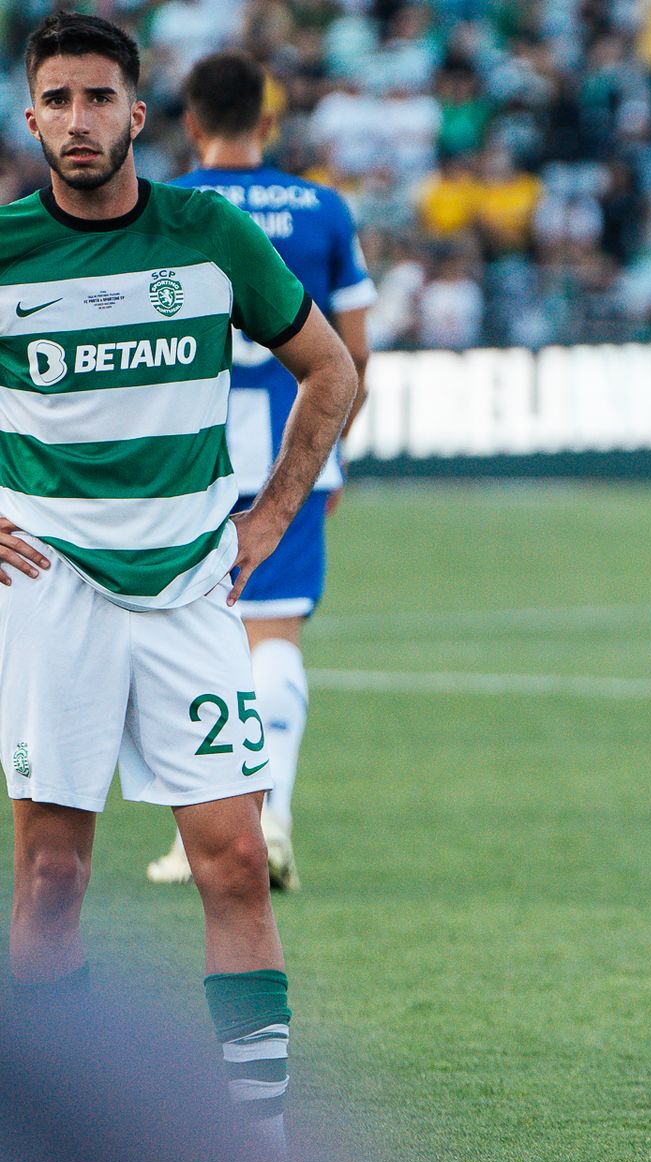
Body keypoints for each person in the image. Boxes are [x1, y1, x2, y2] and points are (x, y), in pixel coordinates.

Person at [0, 13, 358, 1148]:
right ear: (30, 117)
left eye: (98, 98)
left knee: (238, 860)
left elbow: (331, 371)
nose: (78, 120)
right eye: (56, 99)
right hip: (50, 593)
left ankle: (258, 1155)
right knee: (53, 877)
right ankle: (48, 1150)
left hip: (192, 590)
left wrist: (274, 514)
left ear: (140, 115)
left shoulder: (205, 235)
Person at [148, 51, 374, 891]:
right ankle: (269, 816)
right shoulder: (320, 210)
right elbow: (351, 351)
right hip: (289, 452)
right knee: (272, 634)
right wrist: (334, 448)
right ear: (269, 122)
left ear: (191, 125)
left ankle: (198, 831)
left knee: (177, 639)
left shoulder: (167, 209)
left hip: (185, 456)